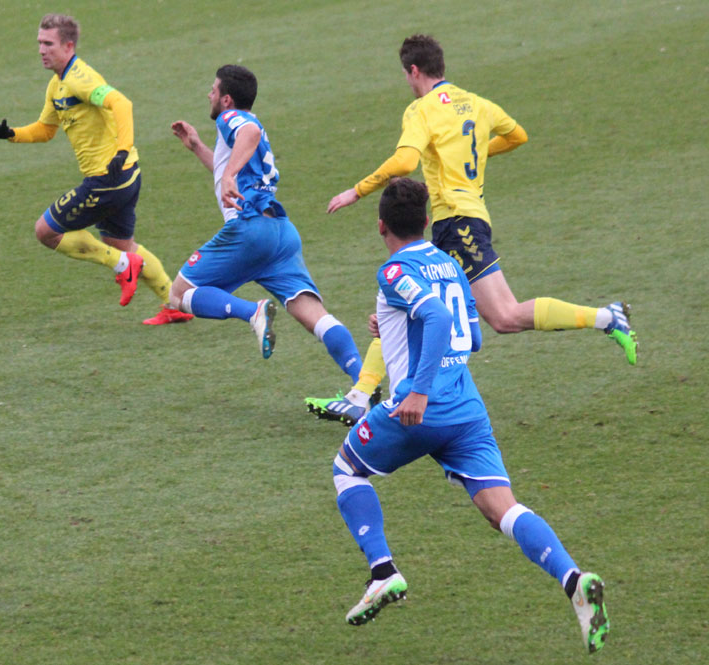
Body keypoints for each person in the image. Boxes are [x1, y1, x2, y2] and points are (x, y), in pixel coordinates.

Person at [332, 177, 609, 654]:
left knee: (347, 469)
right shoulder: (450, 265)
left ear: (382, 227)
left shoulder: (393, 272)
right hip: (466, 409)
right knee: (500, 508)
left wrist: (417, 392)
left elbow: (437, 320)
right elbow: (471, 337)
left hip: (419, 409)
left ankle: (383, 571)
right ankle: (573, 580)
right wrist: (395, 324)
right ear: (425, 222)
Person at [307, 33, 637, 425]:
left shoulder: (422, 110)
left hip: (456, 223)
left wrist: (356, 191)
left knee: (504, 315)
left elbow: (405, 162)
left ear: (414, 70)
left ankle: (607, 316)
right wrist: (474, 153)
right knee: (405, 303)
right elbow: (517, 135)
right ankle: (360, 396)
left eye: (405, 75)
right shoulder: (477, 104)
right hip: (470, 216)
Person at [0, 13, 192, 325]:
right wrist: (9, 134)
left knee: (46, 231)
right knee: (123, 245)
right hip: (127, 176)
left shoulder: (80, 78)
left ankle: (123, 265)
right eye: (39, 42)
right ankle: (174, 304)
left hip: (109, 177)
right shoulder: (57, 84)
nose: (41, 49)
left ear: (68, 45)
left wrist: (120, 150)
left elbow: (122, 104)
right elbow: (45, 130)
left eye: (48, 43)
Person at [167, 65, 362, 382]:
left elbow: (248, 137)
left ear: (227, 99)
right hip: (280, 233)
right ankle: (364, 384)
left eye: (213, 90)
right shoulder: (245, 127)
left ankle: (252, 312)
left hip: (250, 231)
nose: (209, 94)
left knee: (179, 295)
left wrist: (229, 175)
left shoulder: (233, 120)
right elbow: (231, 170)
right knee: (314, 314)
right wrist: (198, 148)